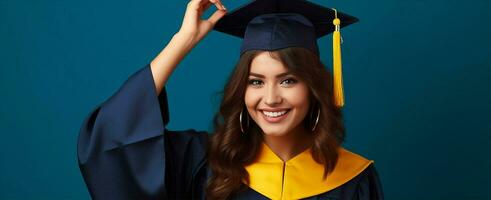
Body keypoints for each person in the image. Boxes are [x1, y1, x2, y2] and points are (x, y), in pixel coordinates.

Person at [77, 0, 384, 199]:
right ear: (242, 89)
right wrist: (182, 41)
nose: (271, 98)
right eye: (256, 82)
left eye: (289, 80)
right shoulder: (204, 163)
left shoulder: (354, 180)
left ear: (313, 88)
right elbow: (110, 142)